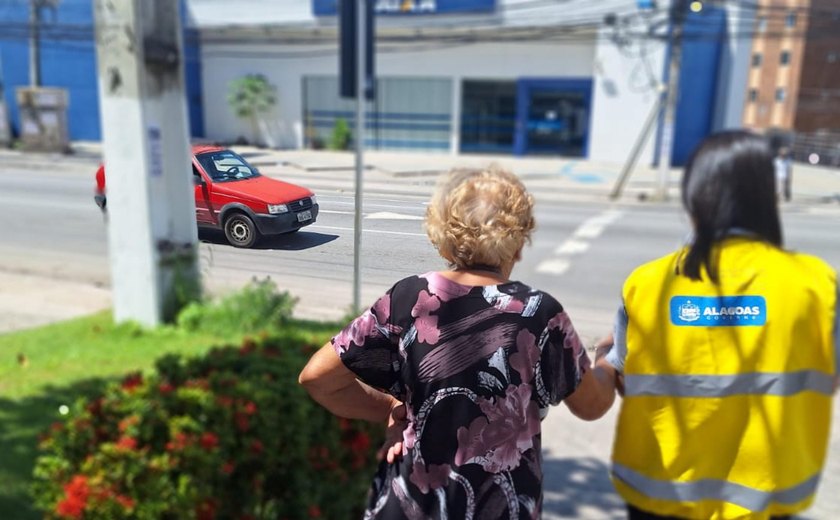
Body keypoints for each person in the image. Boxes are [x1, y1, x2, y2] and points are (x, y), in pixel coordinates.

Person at [299, 165, 617, 519]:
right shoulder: (539, 314)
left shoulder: (408, 298)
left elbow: (318, 378)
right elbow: (591, 406)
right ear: (518, 244)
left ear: (443, 235)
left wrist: (397, 411)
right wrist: (608, 359)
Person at [602, 131, 838, 520]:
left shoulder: (647, 284)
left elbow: (626, 379)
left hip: (660, 496)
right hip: (765, 500)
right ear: (767, 196)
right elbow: (827, 380)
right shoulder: (817, 285)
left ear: (694, 194)